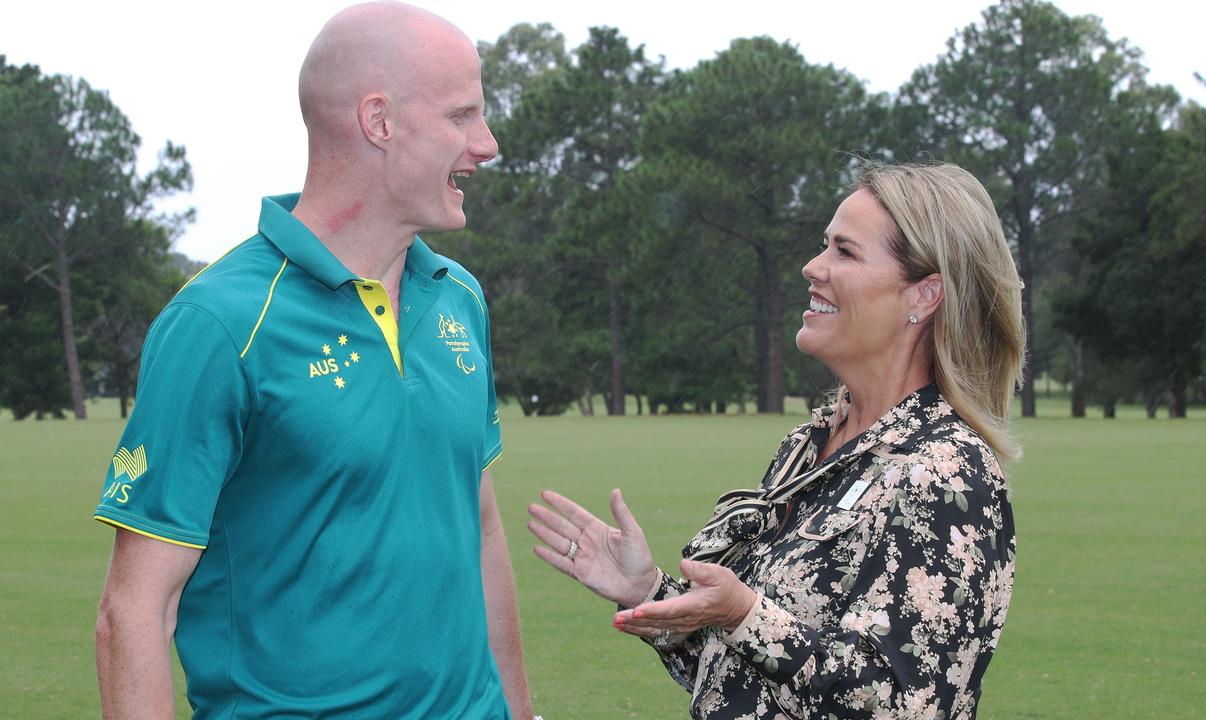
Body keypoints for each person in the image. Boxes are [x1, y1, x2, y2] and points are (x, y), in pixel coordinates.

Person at [92, 3, 533, 718]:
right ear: (380, 122)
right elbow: (135, 608)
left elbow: (479, 525)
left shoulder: (460, 300)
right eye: (462, 116)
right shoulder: (219, 323)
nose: (486, 143)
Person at [529, 162, 1024, 719]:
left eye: (846, 252)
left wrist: (744, 612)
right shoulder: (809, 446)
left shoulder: (946, 472)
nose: (813, 267)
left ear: (924, 294)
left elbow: (905, 705)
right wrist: (650, 594)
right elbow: (741, 684)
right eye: (823, 246)